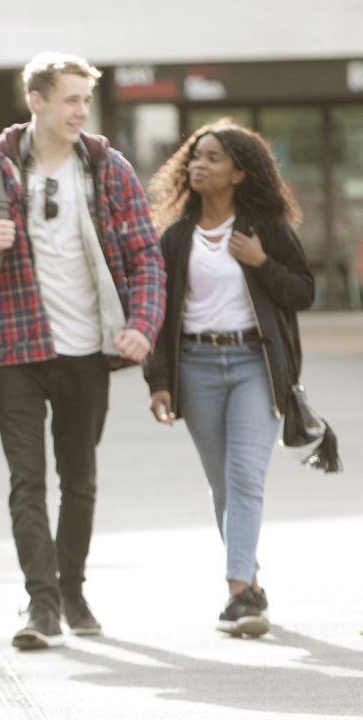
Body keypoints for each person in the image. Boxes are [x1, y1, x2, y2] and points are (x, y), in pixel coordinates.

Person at [0, 52, 165, 650]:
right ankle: (41, 604)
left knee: (79, 480)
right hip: (17, 347)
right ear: (36, 100)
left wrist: (142, 323)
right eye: (70, 99)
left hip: (88, 349)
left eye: (86, 100)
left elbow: (146, 257)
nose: (80, 110)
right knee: (27, 482)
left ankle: (73, 588)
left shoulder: (106, 168)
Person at [145, 119, 313, 637]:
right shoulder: (175, 238)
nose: (199, 165)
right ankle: (253, 582)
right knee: (222, 485)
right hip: (195, 366)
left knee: (244, 478)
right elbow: (159, 313)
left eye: (213, 158)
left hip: (253, 366)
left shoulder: (263, 229)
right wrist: (159, 381)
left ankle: (238, 592)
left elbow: (303, 292)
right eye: (195, 157)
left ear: (240, 172)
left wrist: (261, 263)